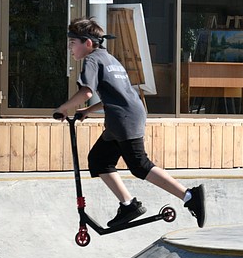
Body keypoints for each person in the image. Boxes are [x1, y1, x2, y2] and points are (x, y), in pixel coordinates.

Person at [54, 17, 206, 229]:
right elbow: (117, 94)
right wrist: (88, 110)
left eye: (72, 44)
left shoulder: (91, 60)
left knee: (139, 165)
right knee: (99, 160)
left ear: (87, 43)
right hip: (126, 114)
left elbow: (86, 91)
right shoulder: (109, 58)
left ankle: (189, 196)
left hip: (122, 119)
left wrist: (63, 108)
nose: (70, 49)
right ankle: (128, 205)